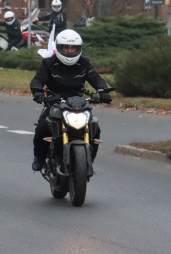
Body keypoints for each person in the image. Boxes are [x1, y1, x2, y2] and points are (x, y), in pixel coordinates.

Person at [28, 29, 111, 171]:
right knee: (42, 128)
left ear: (79, 48)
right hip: (54, 101)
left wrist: (103, 91)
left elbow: (96, 79)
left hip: (78, 102)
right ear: (59, 47)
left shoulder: (84, 63)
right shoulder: (49, 63)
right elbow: (37, 80)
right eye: (66, 47)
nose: (70, 51)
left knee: (95, 129)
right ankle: (40, 158)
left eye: (73, 48)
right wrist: (38, 93)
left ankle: (88, 160)